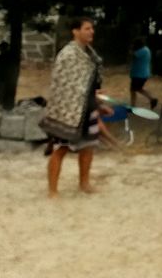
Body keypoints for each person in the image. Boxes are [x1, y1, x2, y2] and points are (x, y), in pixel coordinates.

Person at [40, 16, 112, 196]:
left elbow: (91, 84)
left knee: (88, 147)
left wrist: (98, 103)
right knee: (61, 148)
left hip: (87, 108)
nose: (92, 32)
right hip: (68, 110)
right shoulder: (68, 55)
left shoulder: (90, 55)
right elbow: (64, 85)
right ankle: (52, 190)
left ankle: (84, 183)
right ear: (76, 31)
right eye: (87, 28)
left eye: (92, 28)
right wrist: (88, 97)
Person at [128, 35, 158, 110]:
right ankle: (152, 99)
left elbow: (132, 55)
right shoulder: (146, 49)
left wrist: (131, 49)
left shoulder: (142, 50)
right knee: (138, 89)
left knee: (133, 90)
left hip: (139, 74)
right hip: (142, 74)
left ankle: (133, 106)